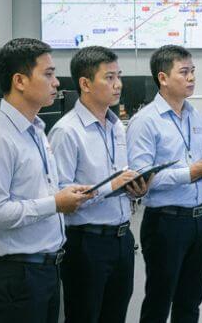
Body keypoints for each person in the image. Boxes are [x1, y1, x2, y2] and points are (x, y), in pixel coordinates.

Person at [0, 38, 94, 323]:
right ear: (20, 81)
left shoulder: (35, 129)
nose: (56, 82)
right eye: (48, 74)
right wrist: (55, 204)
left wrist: (66, 193)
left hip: (44, 269)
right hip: (17, 275)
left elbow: (36, 191)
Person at [127, 45, 202, 323]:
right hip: (165, 223)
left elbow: (199, 161)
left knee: (190, 302)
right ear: (163, 78)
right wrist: (190, 173)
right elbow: (141, 178)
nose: (192, 77)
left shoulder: (194, 115)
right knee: (159, 303)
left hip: (199, 219)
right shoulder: (145, 121)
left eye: (193, 71)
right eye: (184, 72)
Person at [48, 46, 147, 323]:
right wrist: (111, 186)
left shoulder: (117, 126)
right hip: (86, 244)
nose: (118, 85)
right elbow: (61, 197)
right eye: (109, 78)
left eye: (119, 76)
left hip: (122, 239)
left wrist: (136, 190)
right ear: (85, 83)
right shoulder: (67, 131)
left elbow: (120, 177)